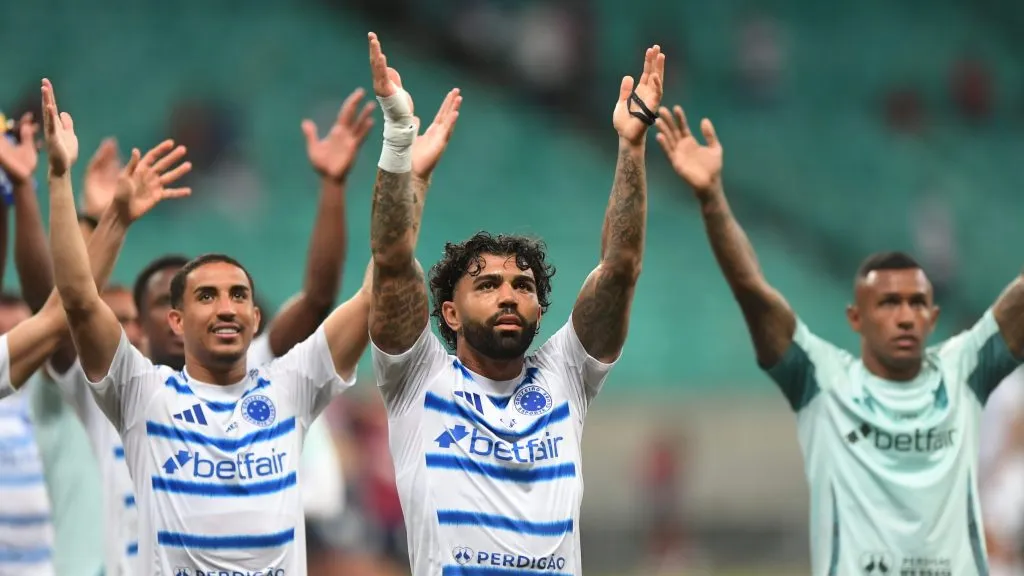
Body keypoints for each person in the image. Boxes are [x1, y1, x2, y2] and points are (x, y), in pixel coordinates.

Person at [653, 103, 1024, 574]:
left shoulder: (965, 370)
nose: (905, 317)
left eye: (916, 304)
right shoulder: (823, 382)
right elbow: (753, 290)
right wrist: (712, 200)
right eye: (888, 304)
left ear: (933, 317)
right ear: (855, 318)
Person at [43, 86, 375, 575]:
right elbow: (75, 299)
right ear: (175, 320)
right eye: (205, 296)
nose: (226, 308)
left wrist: (384, 168)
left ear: (256, 319)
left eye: (239, 295)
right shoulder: (140, 392)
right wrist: (84, 198)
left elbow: (367, 290)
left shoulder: (290, 382)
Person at [364, 31, 660, 575]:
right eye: (487, 285)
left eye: (522, 287)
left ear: (540, 312)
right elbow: (389, 258)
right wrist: (400, 145)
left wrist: (631, 146)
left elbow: (620, 270)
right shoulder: (416, 377)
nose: (508, 296)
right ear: (448, 313)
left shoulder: (566, 374)